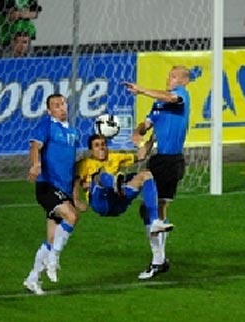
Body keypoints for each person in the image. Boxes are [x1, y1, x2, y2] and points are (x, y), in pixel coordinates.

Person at [123, 65, 190, 280]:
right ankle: (159, 260)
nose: (169, 78)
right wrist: (138, 136)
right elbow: (148, 125)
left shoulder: (181, 96)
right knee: (153, 210)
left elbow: (171, 98)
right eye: (168, 75)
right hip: (159, 159)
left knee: (153, 209)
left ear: (184, 80)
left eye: (173, 76)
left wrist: (141, 90)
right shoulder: (159, 103)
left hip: (171, 160)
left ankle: (158, 260)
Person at [23, 93, 87, 295]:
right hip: (47, 186)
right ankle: (54, 258)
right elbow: (35, 146)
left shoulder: (74, 133)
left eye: (63, 104)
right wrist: (35, 164)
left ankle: (33, 278)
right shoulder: (47, 126)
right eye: (56, 106)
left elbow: (73, 167)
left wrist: (75, 196)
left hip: (64, 188)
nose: (61, 108)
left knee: (52, 238)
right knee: (72, 217)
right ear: (49, 110)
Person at [76, 134, 172, 232]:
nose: (101, 147)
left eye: (103, 144)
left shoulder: (114, 157)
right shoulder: (84, 164)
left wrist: (152, 140)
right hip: (100, 203)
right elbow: (74, 182)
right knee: (100, 175)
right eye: (97, 145)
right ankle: (114, 183)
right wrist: (77, 200)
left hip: (118, 202)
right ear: (91, 150)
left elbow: (140, 156)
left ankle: (154, 222)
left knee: (146, 175)